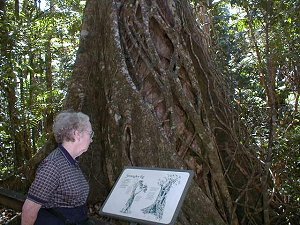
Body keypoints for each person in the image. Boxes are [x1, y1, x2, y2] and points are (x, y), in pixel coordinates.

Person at [21, 111, 94, 225]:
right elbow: (29, 210)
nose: (91, 139)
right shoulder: (53, 165)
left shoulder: (71, 161)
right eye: (90, 133)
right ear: (77, 134)